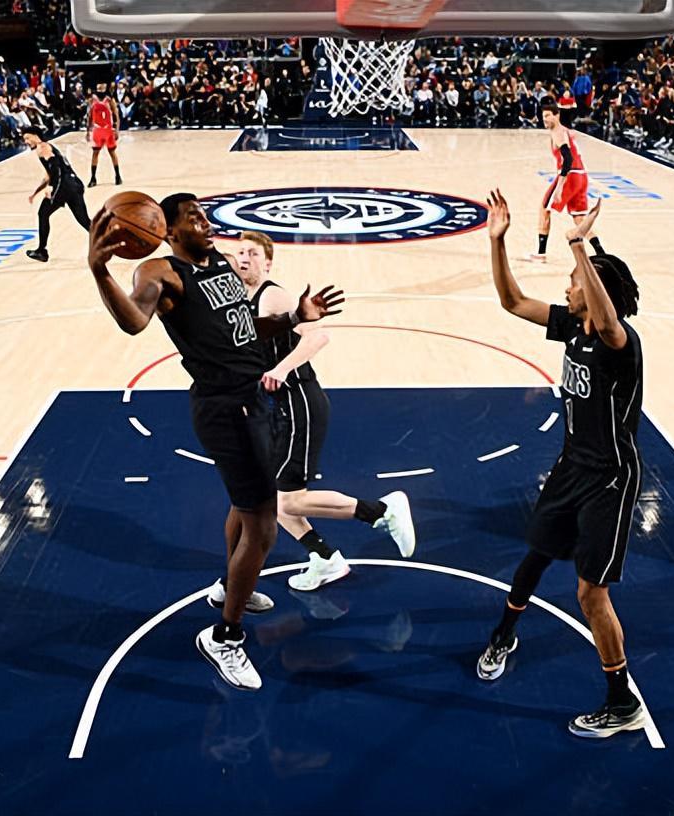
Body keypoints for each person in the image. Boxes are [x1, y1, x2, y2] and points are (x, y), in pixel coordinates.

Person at [86, 193, 344, 690]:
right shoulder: (160, 273)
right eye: (194, 218)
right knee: (264, 528)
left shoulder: (222, 264)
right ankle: (225, 636)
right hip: (225, 409)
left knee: (243, 508)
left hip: (253, 399)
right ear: (167, 230)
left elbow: (245, 329)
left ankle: (231, 587)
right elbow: (134, 320)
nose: (206, 222)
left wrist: (295, 316)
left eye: (205, 215)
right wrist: (99, 271)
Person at [478, 191, 648, 739]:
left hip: (609, 479)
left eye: (575, 282)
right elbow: (511, 301)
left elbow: (608, 316)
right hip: (571, 466)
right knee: (535, 554)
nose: (567, 288)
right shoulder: (572, 326)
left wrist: (578, 245)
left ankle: (622, 703)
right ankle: (504, 634)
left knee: (590, 595)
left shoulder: (621, 343)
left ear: (596, 291)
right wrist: (497, 241)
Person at [232, 230, 415, 593]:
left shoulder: (273, 295)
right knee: (276, 501)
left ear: (267, 263)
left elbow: (318, 336)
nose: (244, 259)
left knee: (291, 499)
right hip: (280, 407)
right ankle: (325, 558)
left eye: (252, 253)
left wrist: (281, 368)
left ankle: (382, 511)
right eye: (240, 253)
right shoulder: (244, 302)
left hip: (299, 399)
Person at [532, 105, 605, 263]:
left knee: (544, 209)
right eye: (543, 116)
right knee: (579, 218)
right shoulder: (564, 131)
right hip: (581, 176)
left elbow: (568, 159)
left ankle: (541, 253)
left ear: (557, 115)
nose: (545, 119)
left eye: (548, 115)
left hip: (570, 176)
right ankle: (601, 252)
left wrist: (560, 186)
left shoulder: (558, 133)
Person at [22, 126, 90, 263]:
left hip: (63, 186)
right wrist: (36, 193)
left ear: (35, 135)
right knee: (83, 220)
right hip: (75, 185)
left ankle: (41, 251)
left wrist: (52, 187)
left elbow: (56, 169)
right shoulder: (48, 147)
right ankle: (109, 240)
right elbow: (49, 175)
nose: (26, 142)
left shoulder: (42, 147)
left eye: (27, 138)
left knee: (43, 214)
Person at [86, 86, 121, 188]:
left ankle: (118, 176)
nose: (101, 86)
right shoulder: (92, 99)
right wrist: (88, 131)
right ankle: (93, 178)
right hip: (97, 129)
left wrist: (117, 130)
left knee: (112, 152)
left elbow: (116, 115)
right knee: (95, 153)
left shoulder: (109, 99)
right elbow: (89, 116)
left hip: (108, 129)